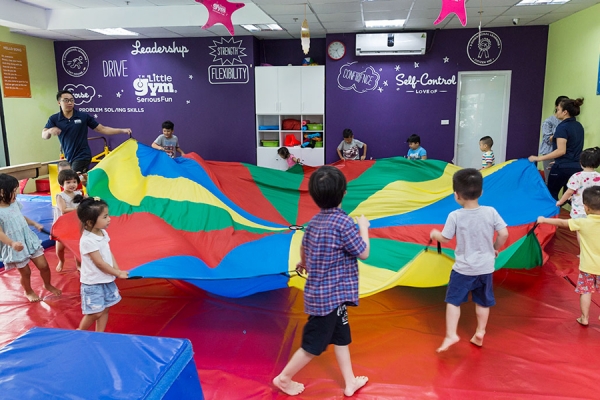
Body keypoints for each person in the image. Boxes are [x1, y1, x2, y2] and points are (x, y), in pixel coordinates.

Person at [272, 166, 370, 397]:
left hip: (333, 298)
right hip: (328, 301)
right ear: (344, 192)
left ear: (315, 197)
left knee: (341, 338)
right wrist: (364, 228)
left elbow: (304, 247)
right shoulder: (345, 223)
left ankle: (349, 382)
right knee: (312, 345)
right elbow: (363, 252)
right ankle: (283, 378)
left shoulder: (313, 223)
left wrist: (303, 262)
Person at [430, 168, 508, 352]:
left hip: (464, 269)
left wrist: (435, 234)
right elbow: (504, 233)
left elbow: (445, 238)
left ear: (456, 195)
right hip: (486, 268)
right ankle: (480, 332)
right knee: (483, 301)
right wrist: (495, 248)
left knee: (453, 301)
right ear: (481, 192)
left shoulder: (455, 216)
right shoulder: (491, 212)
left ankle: (451, 334)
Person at [537, 186, 600, 326]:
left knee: (586, 292)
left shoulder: (583, 222)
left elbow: (562, 223)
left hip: (588, 266)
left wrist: (544, 220)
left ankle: (584, 318)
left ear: (586, 207)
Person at [0, 174, 62, 302]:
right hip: (16, 245)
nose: (16, 194)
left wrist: (34, 223)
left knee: (44, 266)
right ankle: (28, 291)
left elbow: (20, 217)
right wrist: (12, 243)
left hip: (28, 239)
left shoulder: (14, 204)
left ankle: (47, 284)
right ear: (1, 192)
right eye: (13, 191)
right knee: (26, 272)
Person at [42, 90, 132, 174]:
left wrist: (122, 130)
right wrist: (49, 131)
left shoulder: (83, 116)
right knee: (78, 180)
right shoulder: (54, 119)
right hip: (68, 157)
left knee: (73, 178)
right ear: (59, 102)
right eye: (66, 100)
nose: (69, 103)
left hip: (83, 156)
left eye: (71, 100)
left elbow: (102, 129)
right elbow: (44, 135)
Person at [76, 197, 128, 332]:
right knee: (95, 312)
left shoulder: (102, 232)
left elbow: (108, 253)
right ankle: (80, 331)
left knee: (105, 308)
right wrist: (117, 273)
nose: (109, 219)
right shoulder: (88, 240)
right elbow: (99, 263)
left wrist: (117, 269)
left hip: (106, 279)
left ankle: (100, 333)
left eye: (108, 215)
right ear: (90, 222)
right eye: (105, 217)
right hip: (93, 283)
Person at [528, 98, 585, 200]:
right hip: (576, 167)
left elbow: (561, 151)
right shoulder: (579, 126)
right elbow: (572, 148)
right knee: (570, 198)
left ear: (565, 112)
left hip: (562, 168)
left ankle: (552, 211)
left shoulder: (562, 127)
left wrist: (538, 158)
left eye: (558, 110)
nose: (556, 112)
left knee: (551, 196)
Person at [54, 169, 85, 272]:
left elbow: (86, 201)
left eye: (74, 182)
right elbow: (63, 210)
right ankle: (61, 261)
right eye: (68, 182)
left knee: (77, 246)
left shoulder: (78, 193)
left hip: (75, 224)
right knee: (60, 248)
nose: (72, 184)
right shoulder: (60, 196)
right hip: (63, 225)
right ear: (62, 184)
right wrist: (78, 208)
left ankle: (78, 264)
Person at [556, 147, 600, 218]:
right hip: (595, 211)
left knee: (577, 224)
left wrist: (560, 202)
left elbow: (569, 191)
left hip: (579, 211)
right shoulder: (598, 176)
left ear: (581, 162)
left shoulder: (576, 176)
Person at [539, 95, 570, 184]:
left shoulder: (568, 122)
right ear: (557, 107)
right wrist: (560, 134)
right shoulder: (549, 122)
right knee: (550, 180)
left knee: (562, 180)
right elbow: (547, 139)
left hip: (563, 154)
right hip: (550, 153)